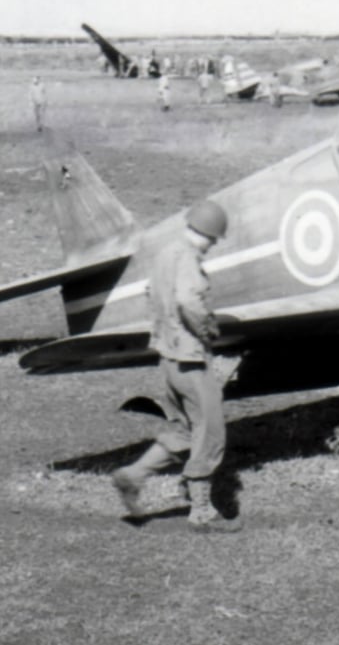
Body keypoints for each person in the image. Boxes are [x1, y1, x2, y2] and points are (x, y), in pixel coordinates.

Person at [111, 200, 239, 532]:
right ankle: (201, 512)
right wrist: (208, 328)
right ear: (208, 236)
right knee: (210, 432)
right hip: (190, 360)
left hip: (168, 358)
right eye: (214, 240)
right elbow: (188, 301)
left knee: (184, 430)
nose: (212, 246)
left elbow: (152, 293)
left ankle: (133, 476)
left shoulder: (166, 254)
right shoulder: (188, 259)